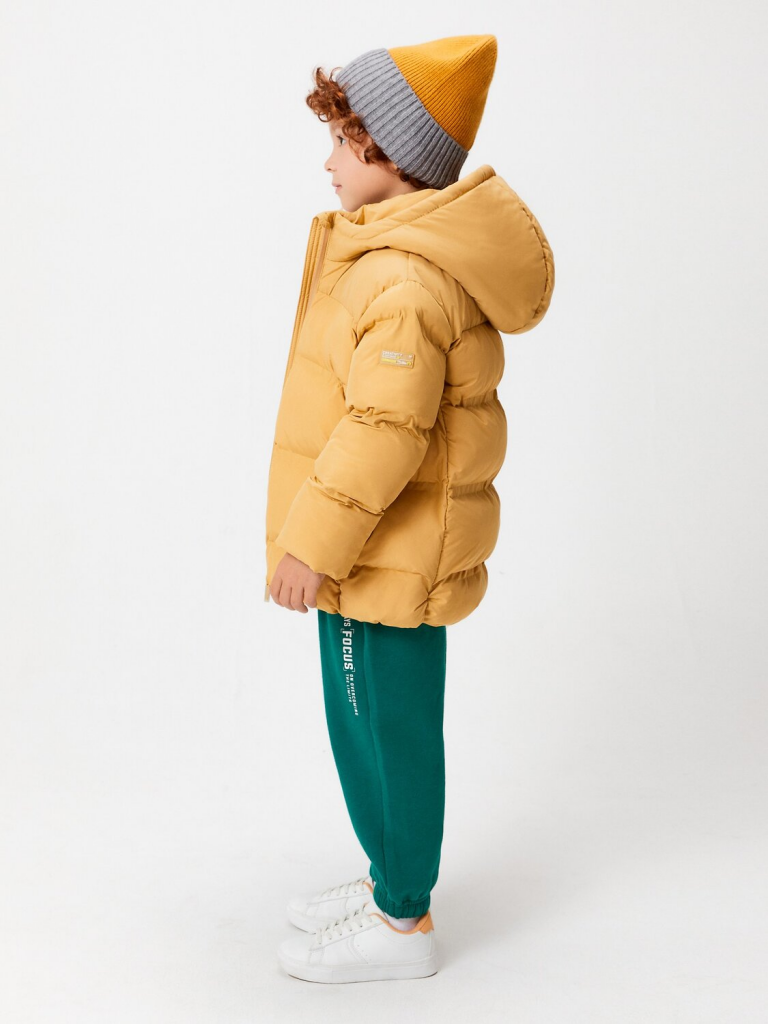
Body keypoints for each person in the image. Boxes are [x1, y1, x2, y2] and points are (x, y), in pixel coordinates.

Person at [265, 33, 555, 983]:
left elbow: (382, 432)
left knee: (385, 733)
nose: (327, 161)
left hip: (379, 556)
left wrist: (311, 544)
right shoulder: (387, 255)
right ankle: (390, 876)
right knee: (365, 730)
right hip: (375, 553)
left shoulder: (405, 279)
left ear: (388, 152)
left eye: (341, 141)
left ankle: (402, 925)